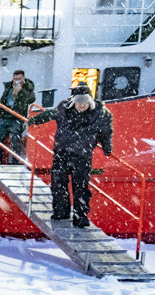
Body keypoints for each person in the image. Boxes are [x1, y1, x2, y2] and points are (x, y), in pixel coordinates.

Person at [28, 81, 114, 228]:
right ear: (73, 101)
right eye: (79, 102)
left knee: (80, 187)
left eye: (85, 102)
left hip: (83, 155)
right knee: (58, 184)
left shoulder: (101, 112)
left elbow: (106, 131)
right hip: (62, 152)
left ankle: (81, 217)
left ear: (90, 101)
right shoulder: (64, 108)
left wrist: (107, 146)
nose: (82, 105)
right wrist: (36, 119)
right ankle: (61, 212)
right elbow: (50, 114)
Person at [0, 70, 36, 164]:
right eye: (15, 79)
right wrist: (1, 113)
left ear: (24, 78)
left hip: (17, 117)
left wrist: (20, 91)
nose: (17, 81)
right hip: (5, 116)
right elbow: (3, 99)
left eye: (19, 79)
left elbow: (31, 99)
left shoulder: (28, 87)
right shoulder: (9, 85)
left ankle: (15, 162)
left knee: (16, 141)